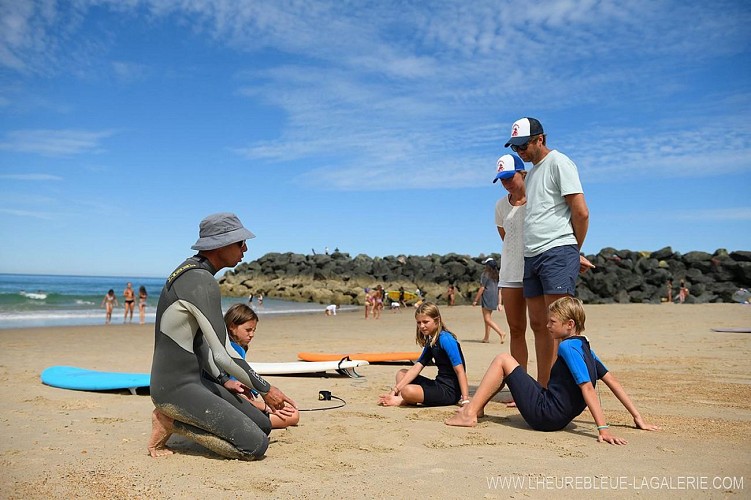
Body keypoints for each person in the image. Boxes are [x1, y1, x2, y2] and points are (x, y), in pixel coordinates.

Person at [148, 212, 296, 460]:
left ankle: (181, 416)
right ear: (221, 244)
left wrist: (222, 380)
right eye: (240, 243)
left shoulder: (194, 273)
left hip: (196, 379)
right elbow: (224, 354)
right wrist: (266, 389)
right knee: (255, 446)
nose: (245, 248)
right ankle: (171, 420)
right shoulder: (199, 281)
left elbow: (199, 342)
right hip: (174, 387)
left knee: (264, 425)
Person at [446, 297, 659, 445]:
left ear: (569, 324)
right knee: (511, 367)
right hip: (557, 415)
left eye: (552, 322)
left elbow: (587, 388)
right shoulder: (585, 347)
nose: (547, 325)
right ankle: (477, 408)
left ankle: (470, 413)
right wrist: (637, 417)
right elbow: (613, 381)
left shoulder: (566, 347)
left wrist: (603, 428)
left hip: (545, 415)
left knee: (503, 359)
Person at [504, 117, 594, 387]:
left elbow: (581, 212)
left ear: (540, 139)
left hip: (556, 251)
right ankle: (543, 387)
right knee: (540, 326)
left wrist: (573, 251)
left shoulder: (559, 163)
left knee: (559, 326)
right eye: (515, 148)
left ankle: (561, 389)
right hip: (532, 256)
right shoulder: (531, 175)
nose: (519, 152)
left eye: (523, 146)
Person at [378, 302, 469, 407]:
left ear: (437, 320)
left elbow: (460, 371)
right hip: (438, 384)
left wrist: (465, 399)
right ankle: (401, 397)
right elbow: (417, 367)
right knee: (402, 374)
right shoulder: (431, 341)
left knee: (408, 390)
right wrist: (394, 390)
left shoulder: (446, 339)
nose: (422, 326)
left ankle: (401, 400)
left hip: (450, 392)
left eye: (426, 322)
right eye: (419, 322)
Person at [224, 303, 300, 429]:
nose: (252, 334)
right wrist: (264, 406)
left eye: (254, 330)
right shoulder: (235, 350)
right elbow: (233, 392)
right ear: (232, 326)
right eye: (248, 330)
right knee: (294, 416)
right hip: (235, 406)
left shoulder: (226, 346)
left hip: (233, 403)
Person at [493, 154, 531, 385]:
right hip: (510, 273)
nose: (506, 183)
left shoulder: (538, 199)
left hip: (536, 269)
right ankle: (522, 384)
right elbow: (506, 238)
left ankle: (547, 384)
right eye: (501, 179)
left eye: (509, 177)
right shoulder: (500, 206)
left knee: (544, 328)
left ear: (523, 173)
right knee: (516, 329)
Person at [472, 258, 507, 344]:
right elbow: (500, 290)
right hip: (494, 297)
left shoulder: (485, 274)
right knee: (488, 318)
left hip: (487, 297)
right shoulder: (497, 275)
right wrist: (499, 303)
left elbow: (482, 288)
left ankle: (501, 332)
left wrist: (475, 300)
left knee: (487, 319)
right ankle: (486, 337)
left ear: (488, 266)